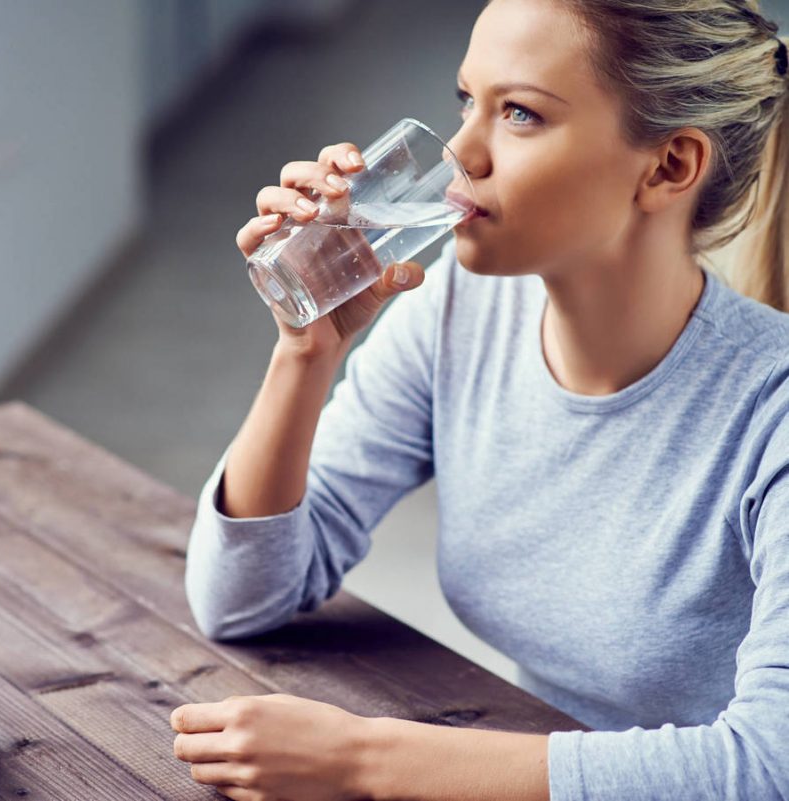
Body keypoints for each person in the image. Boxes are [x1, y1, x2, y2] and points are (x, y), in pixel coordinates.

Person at [169, 0, 789, 798]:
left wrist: (362, 760)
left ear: (668, 166)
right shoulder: (459, 311)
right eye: (468, 100)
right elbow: (240, 600)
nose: (460, 153)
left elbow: (769, 765)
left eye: (520, 114)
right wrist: (304, 352)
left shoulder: (771, 410)